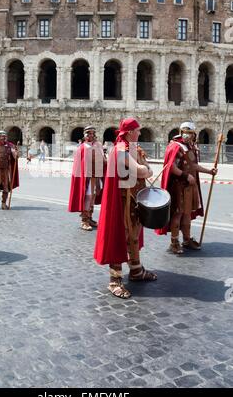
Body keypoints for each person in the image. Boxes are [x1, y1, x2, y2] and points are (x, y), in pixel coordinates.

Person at [94, 118, 157, 299]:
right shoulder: (121, 150)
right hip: (122, 202)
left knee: (134, 236)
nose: (139, 133)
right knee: (119, 237)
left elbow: (144, 168)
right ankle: (115, 279)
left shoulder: (132, 148)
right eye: (137, 130)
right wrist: (146, 169)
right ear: (129, 132)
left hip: (134, 200)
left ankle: (136, 270)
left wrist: (146, 168)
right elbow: (142, 170)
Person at [156, 121, 217, 254]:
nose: (187, 136)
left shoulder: (189, 146)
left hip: (189, 187)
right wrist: (185, 176)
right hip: (178, 186)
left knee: (187, 214)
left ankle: (186, 239)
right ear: (181, 132)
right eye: (185, 133)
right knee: (178, 213)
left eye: (190, 133)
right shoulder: (176, 147)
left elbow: (193, 165)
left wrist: (209, 171)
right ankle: (174, 242)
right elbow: (171, 167)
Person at [68, 125, 106, 231]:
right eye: (89, 133)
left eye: (93, 133)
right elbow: (80, 163)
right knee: (88, 197)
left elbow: (102, 159)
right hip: (87, 177)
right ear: (85, 135)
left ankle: (90, 218)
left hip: (96, 175)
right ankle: (84, 220)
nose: (91, 135)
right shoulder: (82, 147)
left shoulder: (98, 145)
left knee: (93, 196)